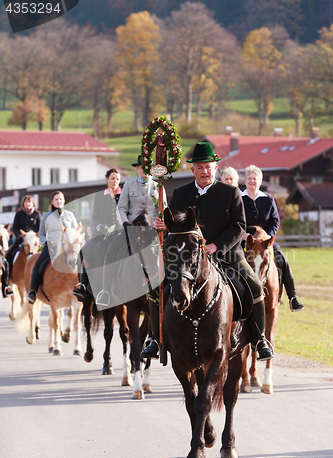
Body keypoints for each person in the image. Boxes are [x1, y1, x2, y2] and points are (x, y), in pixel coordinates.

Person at [141, 142, 273, 361]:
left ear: (216, 168)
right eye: (200, 167)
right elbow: (173, 224)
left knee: (255, 285)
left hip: (226, 254)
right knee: (155, 286)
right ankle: (155, 338)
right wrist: (163, 225)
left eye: (208, 166)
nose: (204, 171)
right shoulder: (180, 194)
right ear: (193, 170)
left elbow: (239, 226)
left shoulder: (230, 193)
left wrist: (215, 246)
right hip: (186, 258)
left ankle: (260, 339)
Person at [95, 154, 167, 311]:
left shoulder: (158, 187)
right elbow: (121, 209)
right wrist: (125, 223)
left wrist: (163, 224)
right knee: (110, 251)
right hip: (132, 230)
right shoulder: (128, 186)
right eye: (143, 167)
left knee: (173, 253)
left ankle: (169, 290)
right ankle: (106, 290)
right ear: (138, 168)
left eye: (149, 167)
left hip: (153, 232)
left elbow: (164, 210)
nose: (145, 170)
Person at [241, 165, 304, 312]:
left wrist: (267, 237)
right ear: (245, 181)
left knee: (283, 261)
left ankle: (293, 298)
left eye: (254, 179)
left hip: (265, 243)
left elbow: (275, 220)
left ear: (260, 181)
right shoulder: (239, 199)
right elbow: (235, 220)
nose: (252, 181)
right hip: (245, 242)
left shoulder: (268, 199)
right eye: (249, 178)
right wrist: (243, 234)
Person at [73, 168, 122, 302]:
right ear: (107, 179)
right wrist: (100, 226)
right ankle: (82, 284)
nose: (115, 181)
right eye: (112, 178)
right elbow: (95, 217)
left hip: (119, 232)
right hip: (101, 233)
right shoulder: (100, 195)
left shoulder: (123, 194)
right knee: (86, 251)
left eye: (117, 179)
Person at [27, 191, 78, 304]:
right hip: (51, 247)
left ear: (64, 201)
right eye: (56, 199)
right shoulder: (46, 216)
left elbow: (75, 232)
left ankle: (82, 289)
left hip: (68, 248)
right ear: (52, 202)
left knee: (82, 264)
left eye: (60, 199)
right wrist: (47, 242)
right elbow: (41, 234)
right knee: (37, 264)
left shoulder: (70, 215)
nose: (58, 201)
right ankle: (33, 291)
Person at [1, 195, 41, 298]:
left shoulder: (37, 214)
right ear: (23, 204)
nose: (28, 204)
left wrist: (37, 237)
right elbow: (15, 227)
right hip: (21, 240)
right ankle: (7, 284)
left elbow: (40, 228)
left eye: (29, 202)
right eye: (26, 202)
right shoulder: (19, 214)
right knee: (8, 255)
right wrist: (19, 236)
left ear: (33, 203)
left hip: (34, 241)